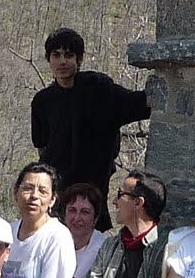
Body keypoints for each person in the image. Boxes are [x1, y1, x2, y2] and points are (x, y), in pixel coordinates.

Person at [30, 27, 150, 232]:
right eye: (56, 55)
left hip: (94, 193)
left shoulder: (98, 89)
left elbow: (137, 103)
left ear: (80, 59)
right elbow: (42, 148)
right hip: (56, 197)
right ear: (48, 59)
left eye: (69, 55)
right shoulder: (42, 101)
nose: (62, 62)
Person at [5, 161, 77, 278]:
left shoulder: (58, 236)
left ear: (52, 200)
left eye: (42, 191)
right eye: (28, 189)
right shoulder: (7, 232)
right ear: (16, 192)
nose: (34, 196)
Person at [61, 183, 108, 278]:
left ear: (95, 217)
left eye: (85, 212)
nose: (77, 218)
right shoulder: (57, 239)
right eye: (72, 210)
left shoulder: (101, 246)